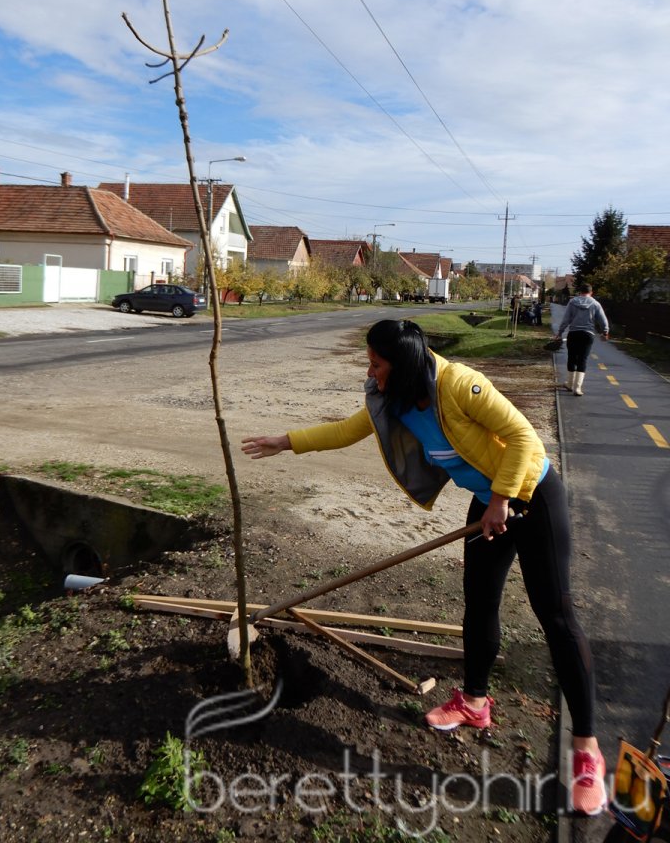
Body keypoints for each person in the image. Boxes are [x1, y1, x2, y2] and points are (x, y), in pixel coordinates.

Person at [242, 319, 606, 816]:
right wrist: (285, 441)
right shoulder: (392, 398)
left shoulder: (457, 383)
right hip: (489, 502)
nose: (369, 371)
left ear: (405, 364)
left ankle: (587, 752)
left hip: (531, 497)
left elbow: (523, 436)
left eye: (375, 363)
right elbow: (347, 430)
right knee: (479, 603)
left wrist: (501, 498)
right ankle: (475, 703)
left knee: (556, 616)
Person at [555, 284, 609, 396]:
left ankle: (570, 384)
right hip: (587, 334)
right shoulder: (595, 304)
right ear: (591, 292)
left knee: (572, 358)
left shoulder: (572, 302)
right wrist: (605, 332)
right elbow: (603, 319)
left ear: (580, 292)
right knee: (582, 359)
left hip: (574, 333)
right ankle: (577, 388)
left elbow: (566, 319)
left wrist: (560, 333)